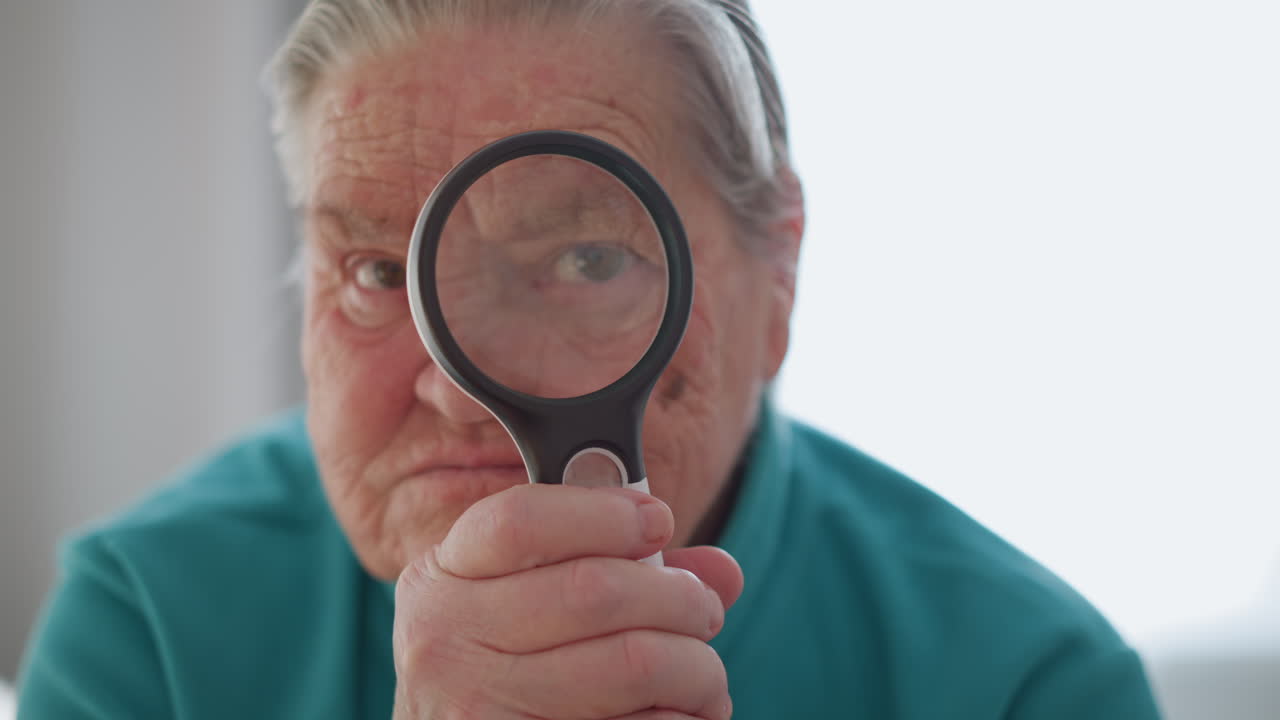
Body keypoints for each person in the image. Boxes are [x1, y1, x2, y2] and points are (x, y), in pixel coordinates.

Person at [17, 1, 1163, 718]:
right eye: (375, 273)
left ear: (777, 281)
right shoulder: (148, 638)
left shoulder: (1025, 685)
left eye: (579, 259)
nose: (459, 389)